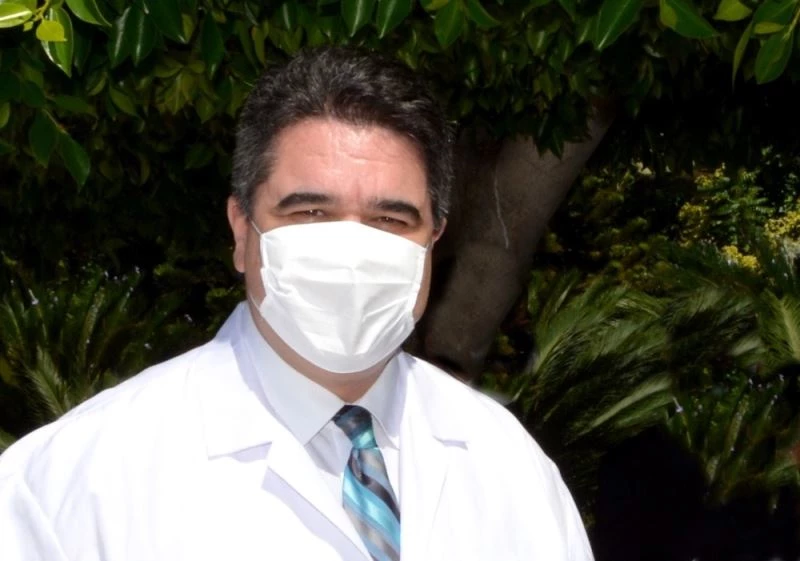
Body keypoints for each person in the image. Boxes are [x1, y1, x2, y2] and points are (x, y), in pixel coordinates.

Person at [0, 47, 593, 560]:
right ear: (242, 229)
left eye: (391, 219)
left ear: (433, 238)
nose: (352, 249)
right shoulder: (74, 482)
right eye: (310, 212)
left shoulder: (509, 466)